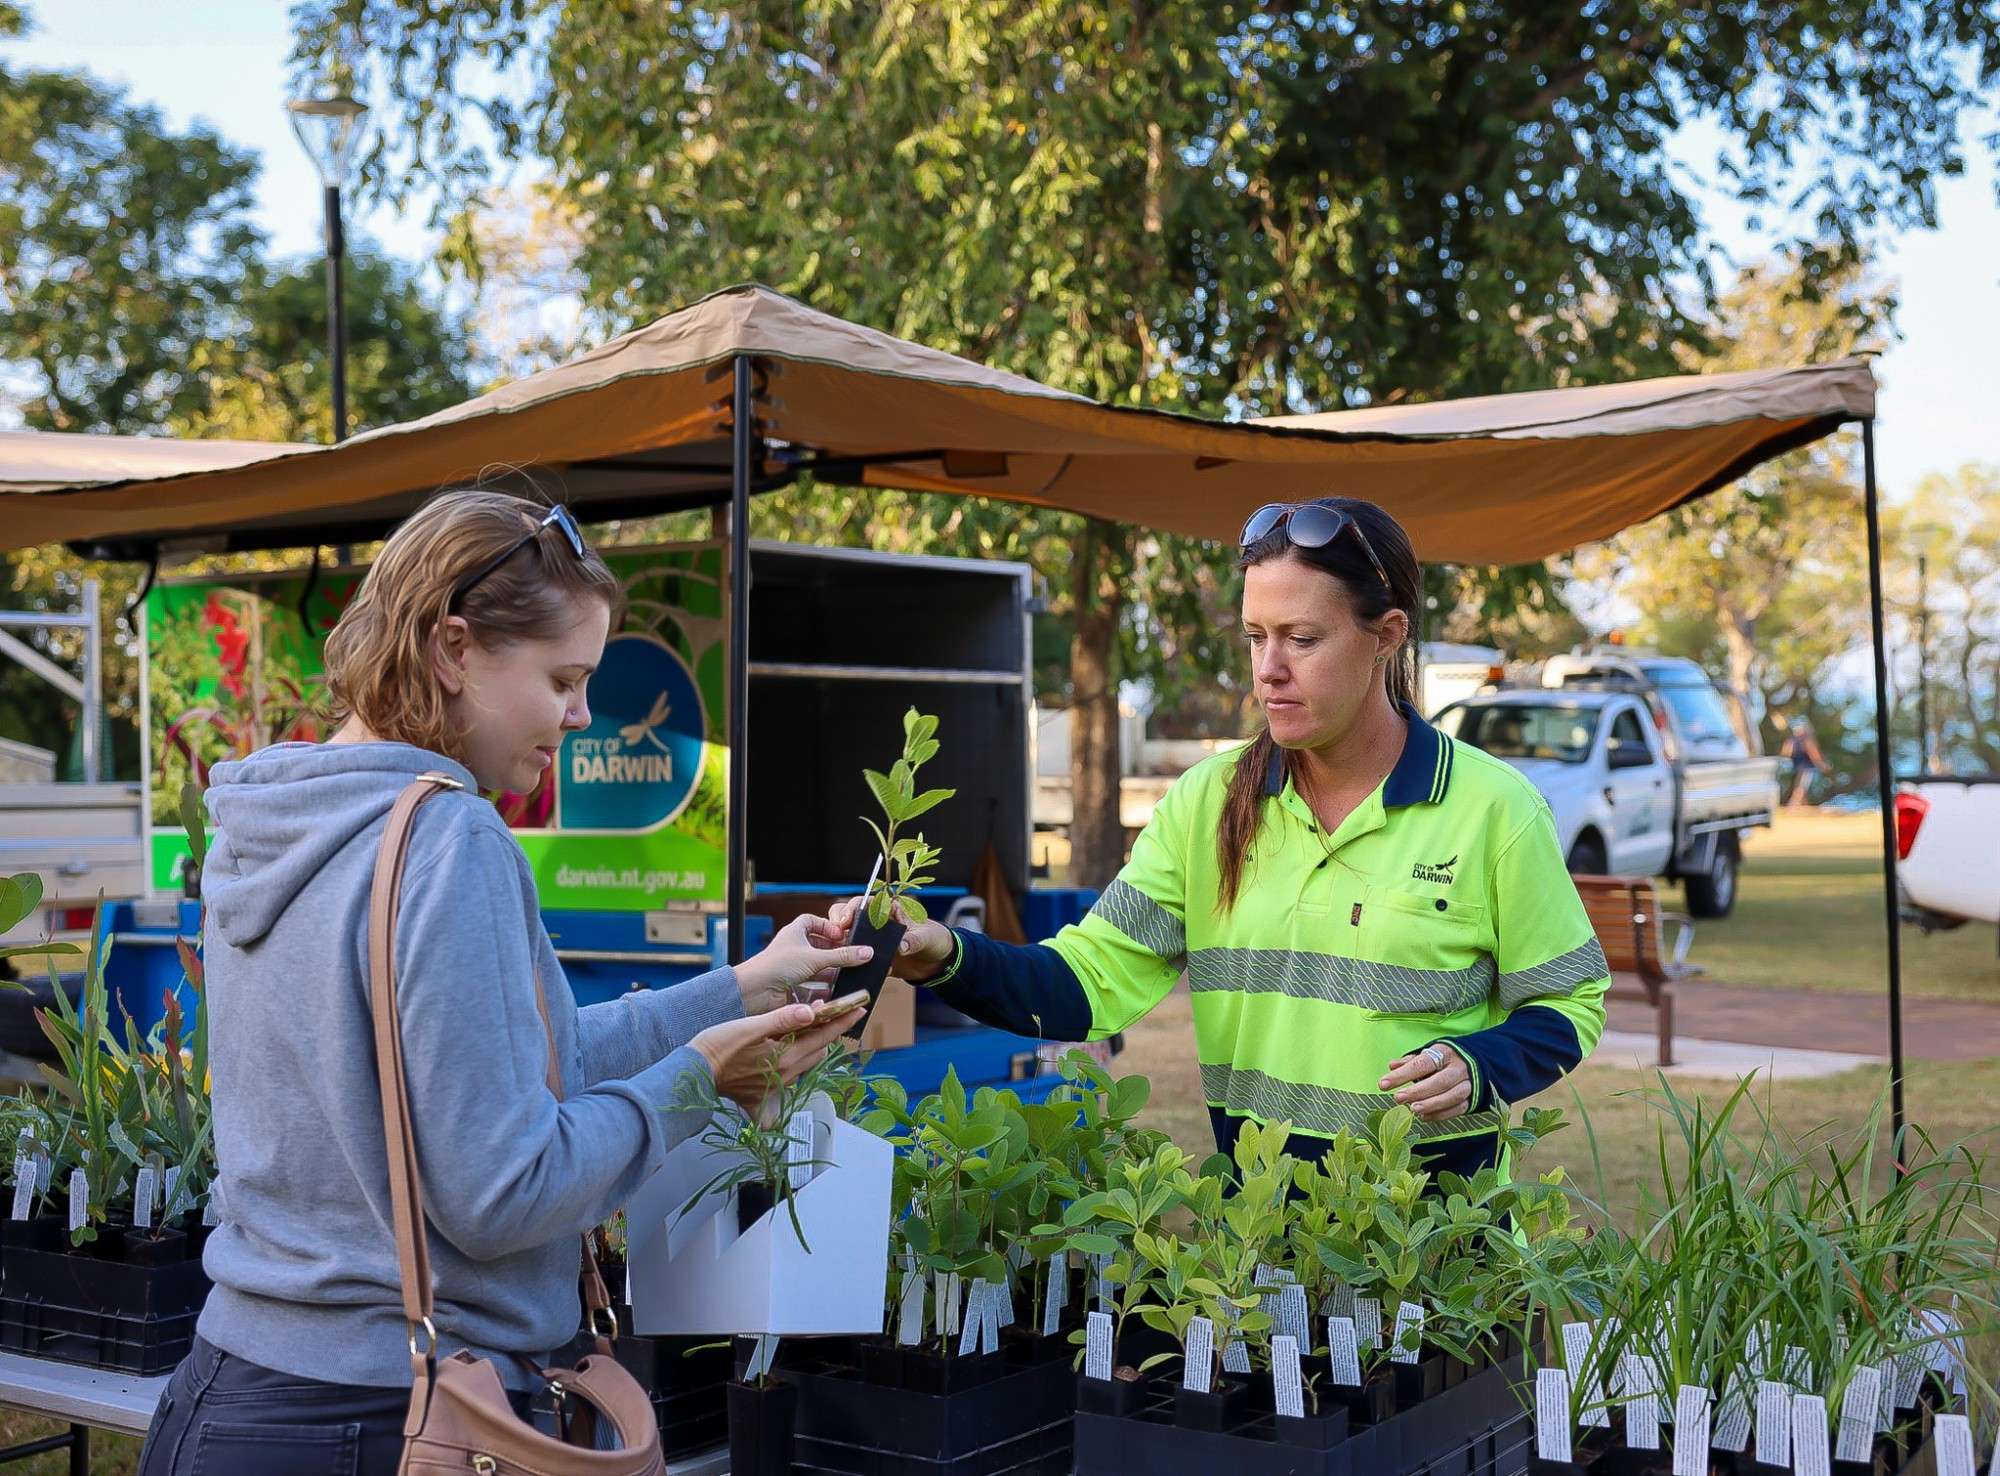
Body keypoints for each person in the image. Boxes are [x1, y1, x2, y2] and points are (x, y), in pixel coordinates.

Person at [140, 491, 872, 1476]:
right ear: (453, 650)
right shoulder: (451, 838)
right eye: (563, 679)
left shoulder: (275, 823)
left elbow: (515, 1066)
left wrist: (742, 987)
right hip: (392, 1420)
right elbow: (505, 1192)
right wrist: (700, 1082)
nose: (580, 715)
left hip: (231, 1396)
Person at [837, 497, 1609, 1179]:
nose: (1267, 669)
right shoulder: (1206, 804)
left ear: (1387, 636)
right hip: (1256, 1249)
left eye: (1301, 639)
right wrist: (946, 956)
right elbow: (1084, 985)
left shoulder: (1494, 809)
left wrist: (1479, 1063)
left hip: (1438, 1259)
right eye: (1255, 636)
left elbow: (1570, 1001)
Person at [1778, 709, 1825, 806]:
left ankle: (1803, 806)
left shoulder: (1791, 740)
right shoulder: (1806, 739)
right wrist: (1821, 764)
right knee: (1801, 787)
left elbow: (1785, 753)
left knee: (1801, 786)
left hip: (1796, 767)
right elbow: (1813, 753)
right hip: (1807, 767)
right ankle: (1793, 805)